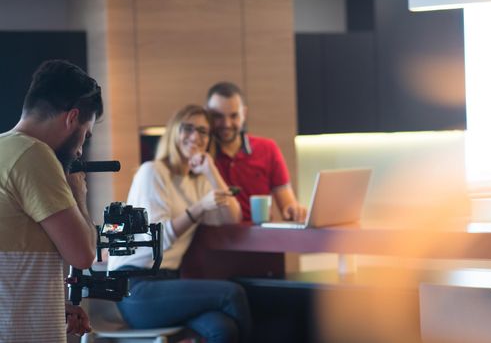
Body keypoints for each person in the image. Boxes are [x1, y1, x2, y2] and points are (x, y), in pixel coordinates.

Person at [108, 105, 251, 343]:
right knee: (232, 293)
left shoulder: (197, 183)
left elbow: (231, 217)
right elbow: (159, 239)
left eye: (203, 132)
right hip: (135, 288)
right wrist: (199, 208)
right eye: (188, 128)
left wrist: (211, 171)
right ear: (175, 131)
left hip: (168, 284)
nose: (195, 136)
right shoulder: (152, 172)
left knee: (223, 328)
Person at [0, 59, 103, 342]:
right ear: (72, 118)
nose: (81, 149)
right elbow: (83, 254)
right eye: (86, 134)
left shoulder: (4, 151)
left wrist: (57, 306)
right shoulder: (34, 155)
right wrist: (78, 192)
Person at [206, 81, 307, 222]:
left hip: (260, 239)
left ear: (244, 114)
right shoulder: (201, 157)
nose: (226, 124)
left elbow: (287, 203)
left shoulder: (267, 148)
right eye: (218, 116)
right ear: (207, 115)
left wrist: (294, 210)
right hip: (214, 240)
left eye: (234, 116)